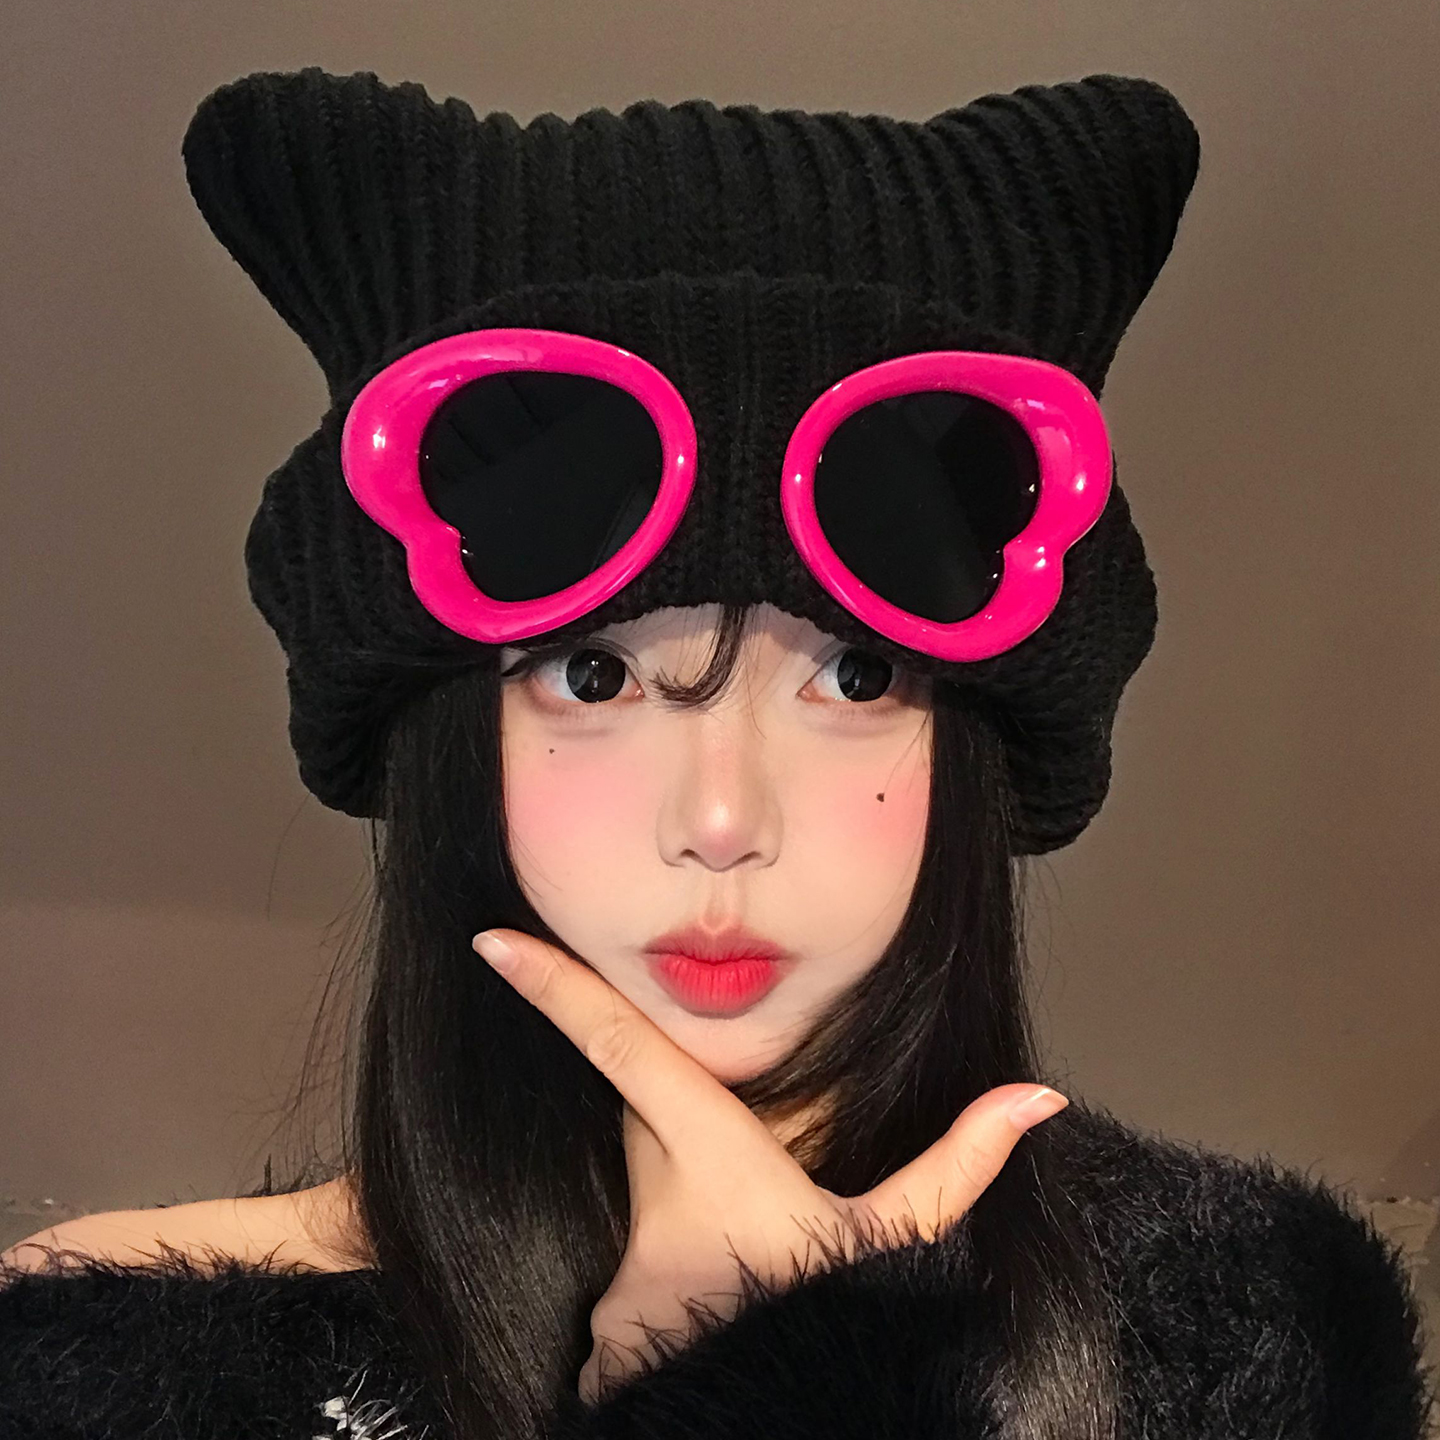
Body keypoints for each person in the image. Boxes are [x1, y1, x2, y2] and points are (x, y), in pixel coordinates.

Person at [1, 64, 1432, 1440]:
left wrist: (784, 1381)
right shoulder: (108, 1358)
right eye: (595, 674)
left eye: (856, 677)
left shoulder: (1248, 1326)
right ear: (442, 740)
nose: (725, 818)